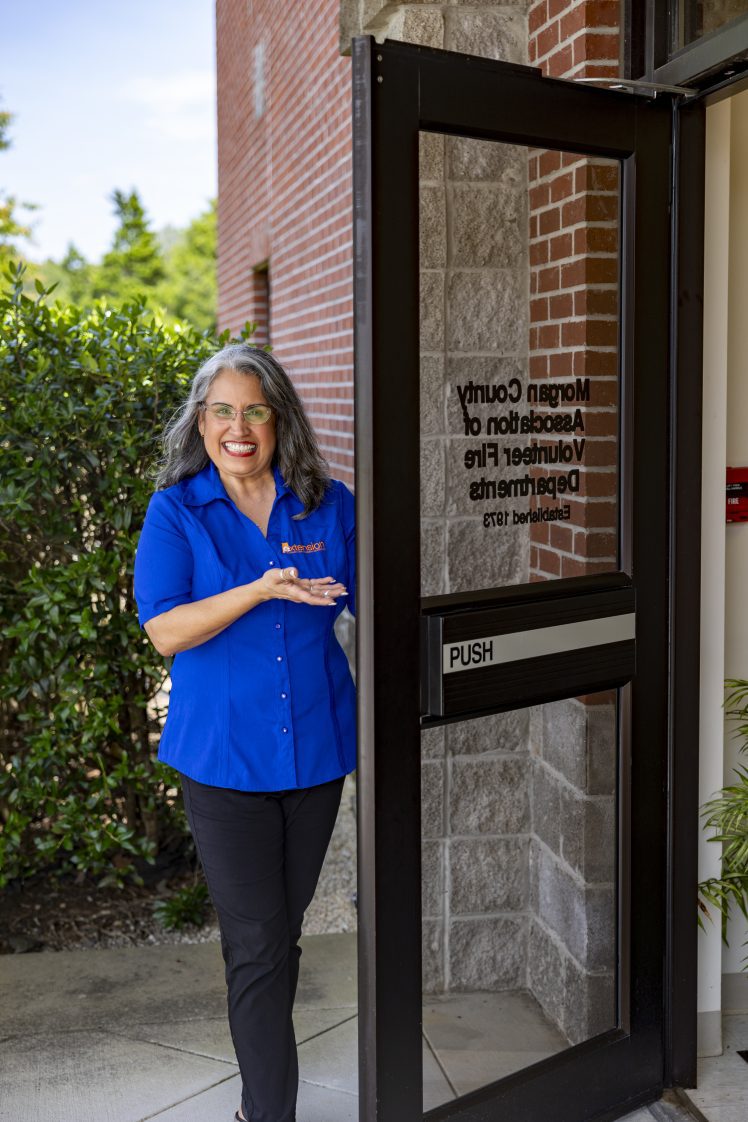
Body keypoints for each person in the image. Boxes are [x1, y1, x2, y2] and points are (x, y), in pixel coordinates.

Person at [133, 343, 356, 1122]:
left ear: (278, 418)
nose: (238, 427)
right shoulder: (177, 511)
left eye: (254, 410)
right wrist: (260, 589)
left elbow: (376, 600)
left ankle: (262, 1094)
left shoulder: (329, 504)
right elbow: (165, 629)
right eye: (222, 411)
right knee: (259, 945)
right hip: (223, 761)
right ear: (203, 422)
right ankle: (268, 1115)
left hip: (317, 750)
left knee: (279, 937)